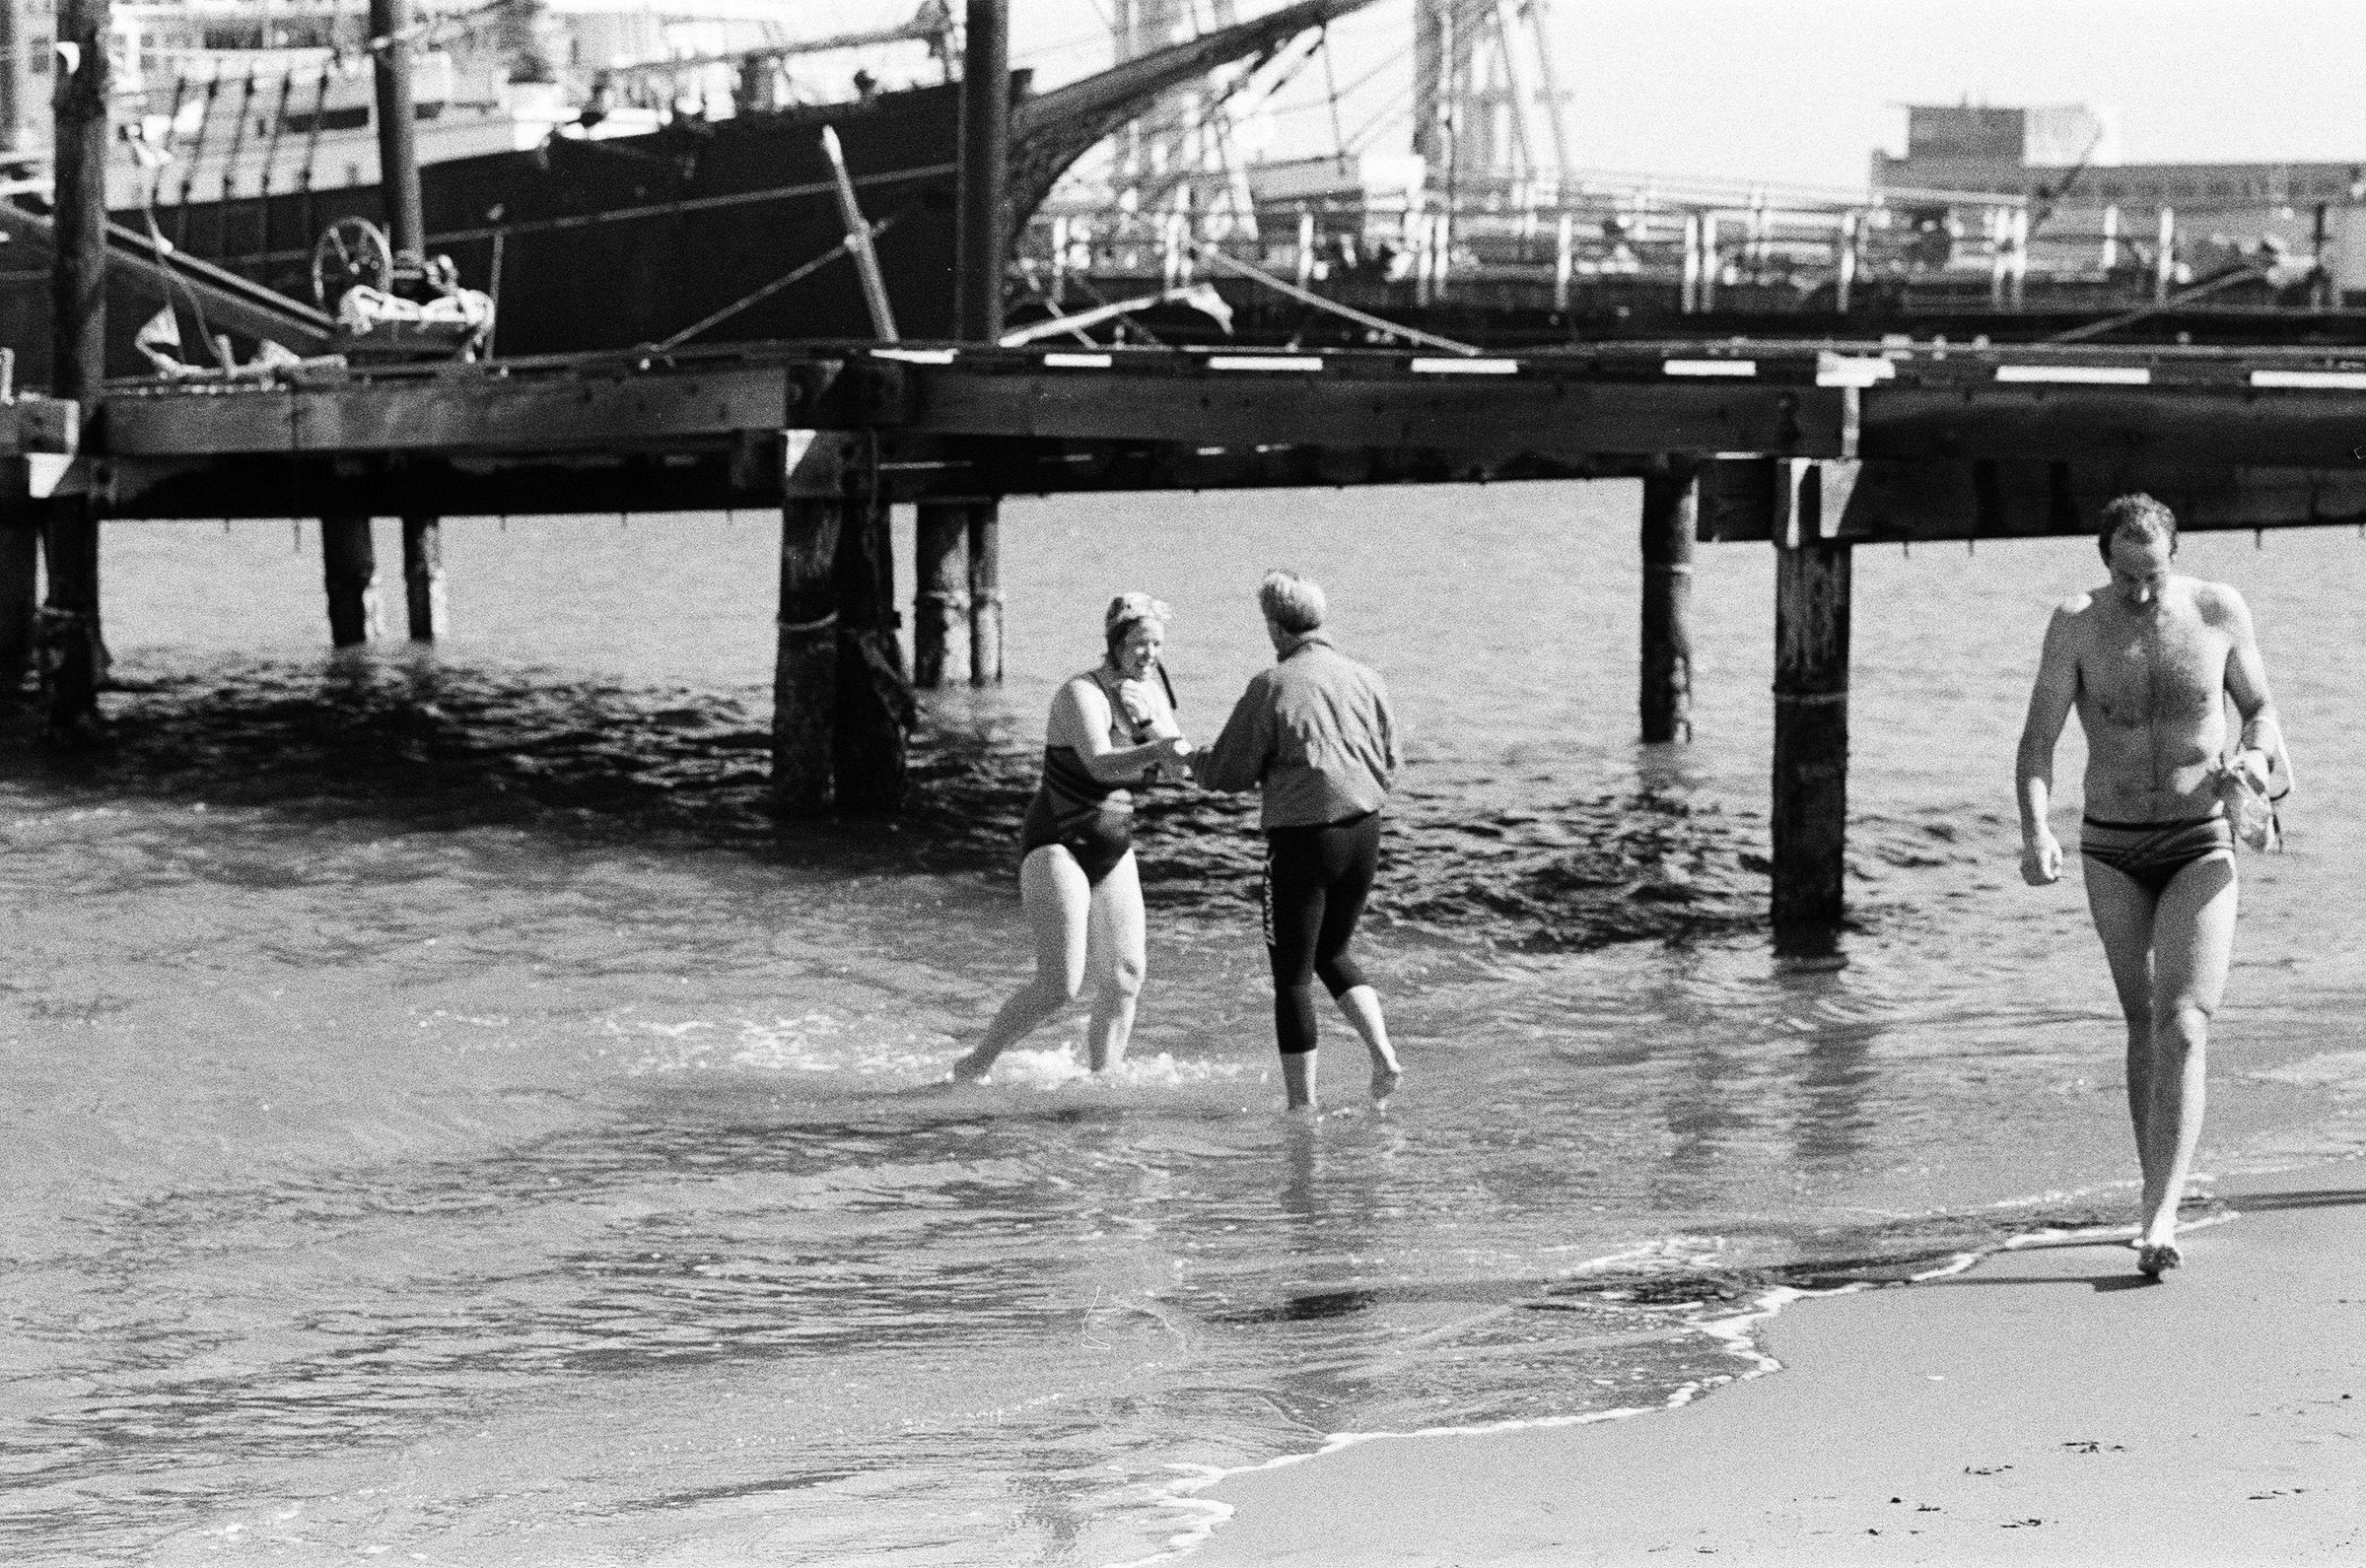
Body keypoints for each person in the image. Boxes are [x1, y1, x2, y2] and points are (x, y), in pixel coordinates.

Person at [2015, 494, 2287, 1277]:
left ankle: (2163, 1217)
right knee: (2143, 1024)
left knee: (2187, 1023)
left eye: (2153, 575)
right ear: (2105, 561)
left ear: (2175, 557)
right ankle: (2153, 1193)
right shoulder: (2075, 624)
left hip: (2201, 838)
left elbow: (2261, 709)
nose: (2140, 591)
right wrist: (2036, 830)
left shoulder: (2217, 610)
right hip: (2112, 847)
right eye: (2126, 576)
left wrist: (2254, 760)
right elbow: (2037, 742)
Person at [952, 594, 1193, 1083]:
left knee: (1127, 975)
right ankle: (976, 1064)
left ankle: (1102, 1080)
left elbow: (1180, 766)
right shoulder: (1081, 693)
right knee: (1061, 984)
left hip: (1112, 845)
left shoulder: (1150, 694)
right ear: (1115, 642)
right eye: (1139, 643)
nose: (1149, 654)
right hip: (1057, 843)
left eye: (1157, 644)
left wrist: (1151, 726)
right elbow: (1100, 764)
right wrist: (1157, 748)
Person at [1197, 571, 1405, 1113]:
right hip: (1364, 832)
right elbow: (1391, 762)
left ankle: (1301, 1109)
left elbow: (1228, 771)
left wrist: (1189, 760)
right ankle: (1382, 1054)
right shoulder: (1367, 677)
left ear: (1274, 626)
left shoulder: (1272, 685)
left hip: (1303, 841)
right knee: (1333, 952)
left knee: (1291, 978)